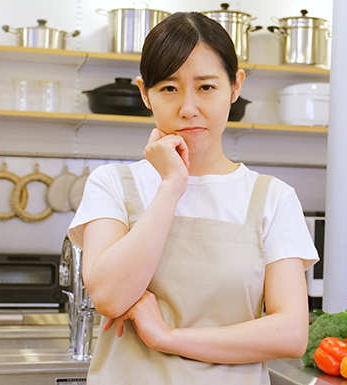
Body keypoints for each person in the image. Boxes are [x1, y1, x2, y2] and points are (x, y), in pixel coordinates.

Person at [67, 11, 319, 385]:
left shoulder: (272, 198)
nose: (188, 108)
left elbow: (291, 333)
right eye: (169, 88)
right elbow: (108, 297)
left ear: (235, 87)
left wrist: (168, 338)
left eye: (206, 87)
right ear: (144, 93)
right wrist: (171, 185)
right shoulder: (113, 184)